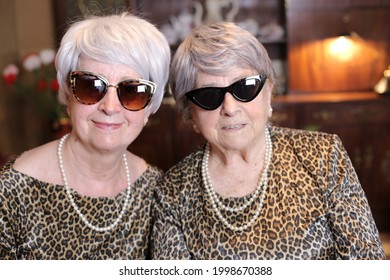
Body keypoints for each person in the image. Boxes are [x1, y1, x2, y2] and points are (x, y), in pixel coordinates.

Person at [151, 22, 386, 260]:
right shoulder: (172, 193)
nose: (230, 108)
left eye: (245, 87)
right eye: (209, 95)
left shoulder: (323, 156)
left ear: (268, 92)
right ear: (191, 114)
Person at [0, 12, 170, 259]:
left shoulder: (159, 193)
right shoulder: (10, 194)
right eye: (91, 86)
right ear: (68, 96)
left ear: (149, 108)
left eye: (132, 91)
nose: (110, 107)